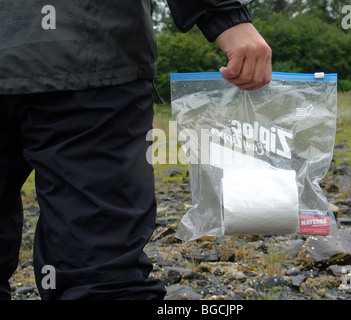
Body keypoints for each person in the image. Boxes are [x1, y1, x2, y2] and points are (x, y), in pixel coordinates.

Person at [0, 0, 272, 300]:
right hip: (90, 54)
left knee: (101, 272)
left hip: (87, 61)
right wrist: (225, 16)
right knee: (101, 273)